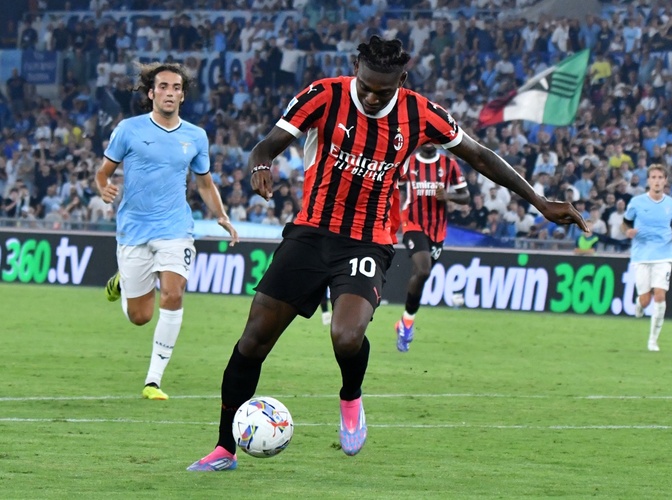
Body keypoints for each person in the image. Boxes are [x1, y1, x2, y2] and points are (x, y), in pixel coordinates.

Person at [187, 36, 586, 471]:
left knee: (346, 336)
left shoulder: (422, 113)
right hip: (309, 234)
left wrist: (539, 201)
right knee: (252, 342)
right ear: (355, 69)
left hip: (367, 240)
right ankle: (225, 448)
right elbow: (266, 145)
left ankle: (351, 397)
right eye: (366, 87)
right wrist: (261, 165)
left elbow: (481, 156)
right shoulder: (323, 95)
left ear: (403, 80)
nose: (373, 97)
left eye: (384, 90)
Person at [95, 62, 239, 401]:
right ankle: (122, 283)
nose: (170, 93)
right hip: (134, 229)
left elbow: (204, 183)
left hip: (175, 227)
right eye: (163, 87)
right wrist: (103, 188)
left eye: (176, 88)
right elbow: (103, 173)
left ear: (183, 96)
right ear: (151, 93)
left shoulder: (196, 136)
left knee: (173, 294)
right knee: (140, 317)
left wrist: (221, 215)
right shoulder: (128, 129)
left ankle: (153, 381)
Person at [394, 143, 469, 352]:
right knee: (424, 270)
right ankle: (407, 325)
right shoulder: (408, 162)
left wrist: (449, 196)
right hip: (412, 224)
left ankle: (405, 322)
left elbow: (465, 196)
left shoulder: (449, 164)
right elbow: (391, 183)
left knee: (420, 276)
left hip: (437, 231)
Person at [622, 164, 672, 352]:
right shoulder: (636, 202)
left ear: (665, 180)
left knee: (660, 295)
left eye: (660, 177)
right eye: (653, 177)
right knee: (645, 300)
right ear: (648, 180)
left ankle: (653, 340)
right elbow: (625, 223)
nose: (657, 181)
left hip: (664, 254)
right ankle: (640, 304)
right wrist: (628, 231)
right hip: (642, 255)